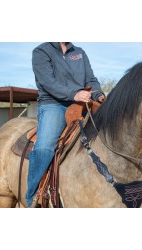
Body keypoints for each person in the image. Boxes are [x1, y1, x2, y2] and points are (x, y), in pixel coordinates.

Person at [25, 42, 105, 207]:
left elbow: (91, 79)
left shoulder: (79, 52)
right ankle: (33, 198)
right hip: (54, 104)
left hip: (83, 102)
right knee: (45, 146)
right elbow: (48, 82)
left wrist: (98, 94)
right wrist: (73, 94)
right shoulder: (41, 51)